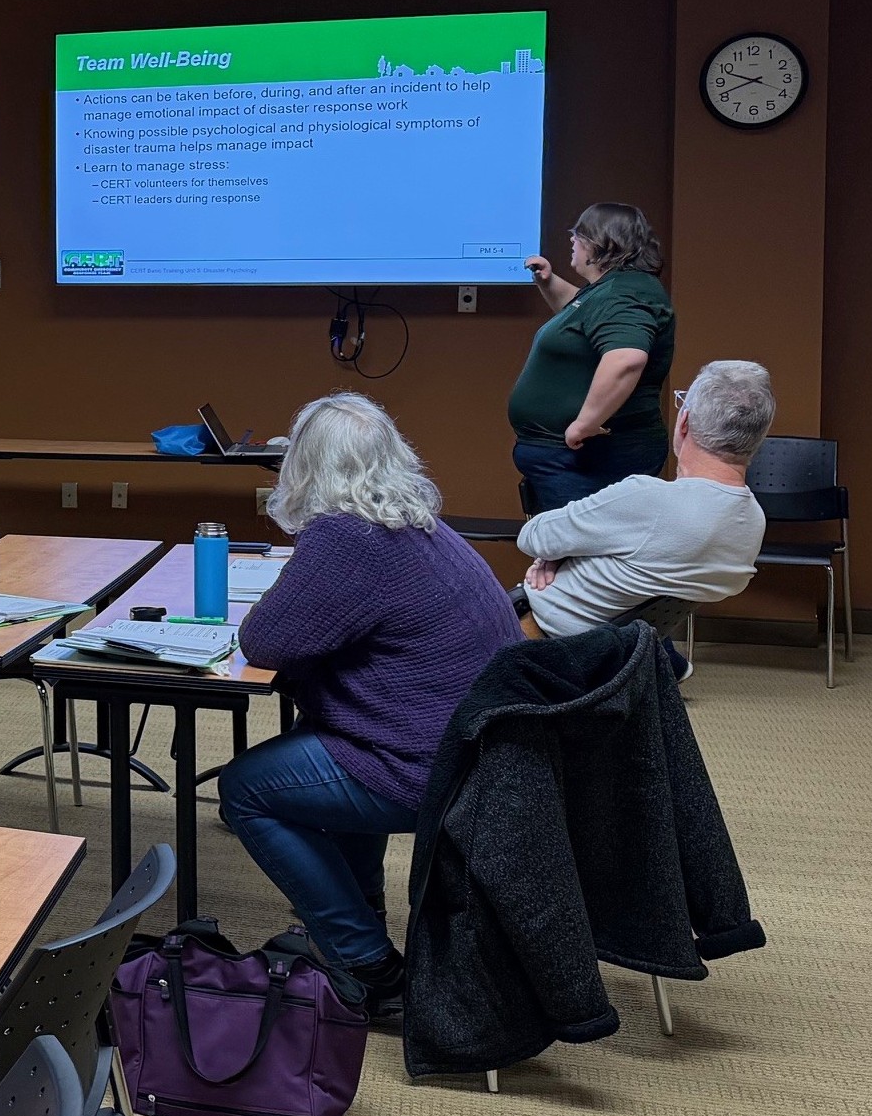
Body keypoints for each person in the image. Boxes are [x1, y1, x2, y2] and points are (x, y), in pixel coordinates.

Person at [222, 392, 522, 1015]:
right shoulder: (416, 523)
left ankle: (368, 963)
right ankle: (361, 924)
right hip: (476, 750)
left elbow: (265, 640)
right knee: (327, 752)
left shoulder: (346, 538)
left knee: (247, 789)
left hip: (425, 768)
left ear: (303, 466)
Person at [519, 360, 775, 639]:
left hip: (534, 637)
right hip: (618, 657)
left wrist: (559, 552)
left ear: (684, 422)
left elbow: (534, 536)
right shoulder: (751, 522)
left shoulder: (646, 499)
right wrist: (565, 551)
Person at [511, 202, 677, 511]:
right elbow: (583, 315)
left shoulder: (625, 293)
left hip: (590, 459)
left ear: (599, 241)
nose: (571, 240)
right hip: (574, 463)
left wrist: (585, 423)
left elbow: (626, 358)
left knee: (584, 556)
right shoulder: (611, 289)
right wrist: (548, 281)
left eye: (578, 234)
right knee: (572, 555)